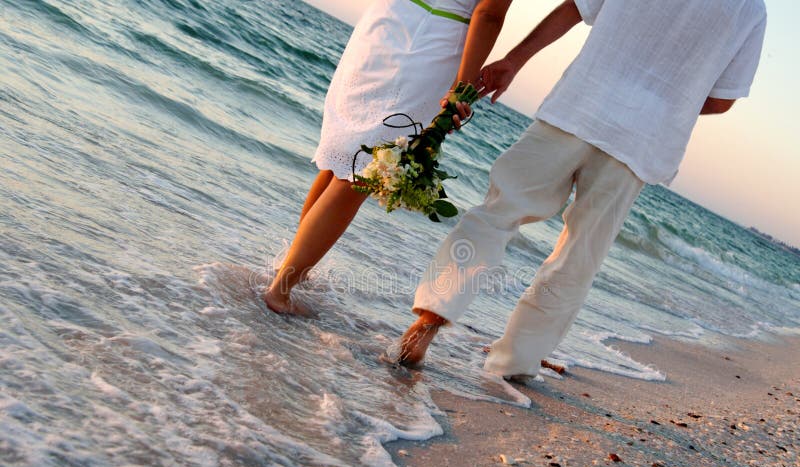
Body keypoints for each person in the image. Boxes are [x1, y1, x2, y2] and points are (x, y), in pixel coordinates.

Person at [399, 0, 767, 373]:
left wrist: (514, 60)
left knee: (498, 211)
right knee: (579, 255)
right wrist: (671, 97)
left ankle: (428, 322)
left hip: (580, 105)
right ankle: (515, 362)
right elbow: (722, 101)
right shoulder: (751, 10)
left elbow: (573, 9)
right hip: (642, 141)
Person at [263, 0, 514, 314]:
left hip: (386, 22)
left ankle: (292, 269)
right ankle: (281, 291)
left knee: (343, 161)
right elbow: (488, 13)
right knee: (365, 172)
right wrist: (460, 88)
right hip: (431, 44)